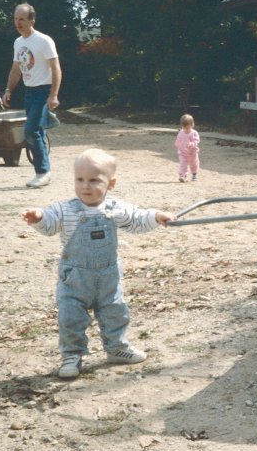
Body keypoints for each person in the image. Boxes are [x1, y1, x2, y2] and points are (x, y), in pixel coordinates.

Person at [22, 148, 175, 379]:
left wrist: (156, 217)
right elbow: (50, 224)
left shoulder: (115, 208)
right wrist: (39, 218)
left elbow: (137, 219)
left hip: (108, 276)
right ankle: (71, 356)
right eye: (80, 179)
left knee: (115, 311)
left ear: (111, 183)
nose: (85, 186)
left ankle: (117, 348)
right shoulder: (65, 209)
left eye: (94, 180)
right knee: (70, 316)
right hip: (75, 278)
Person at [2, 3, 61, 188]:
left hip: (43, 91)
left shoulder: (44, 41)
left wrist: (53, 95)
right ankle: (45, 170)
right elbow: (15, 69)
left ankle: (42, 172)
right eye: (15, 19)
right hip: (29, 91)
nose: (18, 23)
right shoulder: (18, 43)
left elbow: (56, 68)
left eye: (22, 19)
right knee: (38, 131)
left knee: (30, 130)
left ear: (31, 21)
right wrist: (8, 90)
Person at [174, 113, 200, 182]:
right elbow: (178, 139)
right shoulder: (181, 132)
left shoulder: (194, 133)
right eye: (184, 128)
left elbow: (196, 141)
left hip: (192, 153)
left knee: (194, 164)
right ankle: (182, 175)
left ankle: (194, 174)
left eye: (188, 128)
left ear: (192, 125)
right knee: (183, 164)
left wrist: (191, 144)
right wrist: (177, 144)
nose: (186, 129)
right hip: (182, 152)